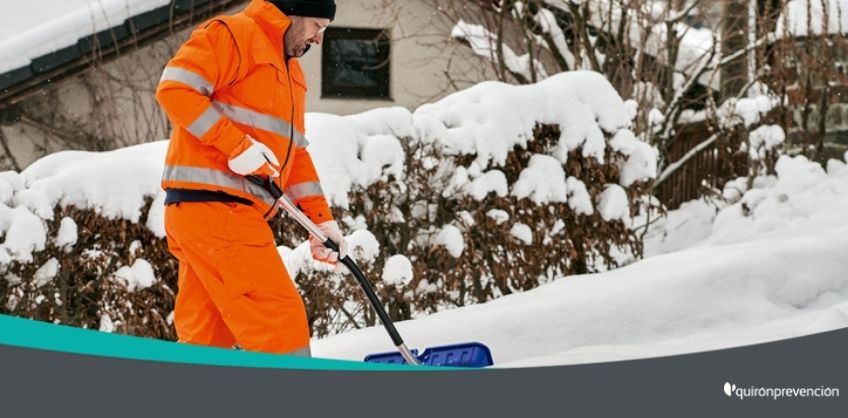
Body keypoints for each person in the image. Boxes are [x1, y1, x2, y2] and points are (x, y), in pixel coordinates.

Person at [155, 0, 346, 356]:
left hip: (210, 216)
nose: (319, 38)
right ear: (293, 12)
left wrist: (322, 222)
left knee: (207, 339)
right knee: (279, 325)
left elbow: (295, 155)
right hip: (219, 210)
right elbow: (175, 89)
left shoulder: (291, 73)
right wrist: (236, 145)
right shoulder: (235, 35)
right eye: (317, 26)